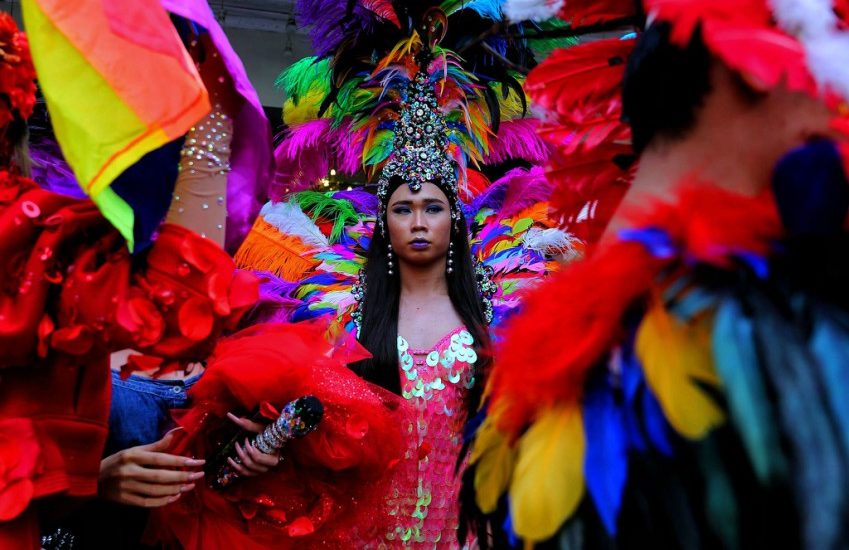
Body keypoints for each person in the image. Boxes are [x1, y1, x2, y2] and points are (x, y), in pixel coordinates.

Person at [463, 0, 849, 548]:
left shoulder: (537, 355)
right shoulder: (766, 328)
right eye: (834, 56)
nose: (839, 101)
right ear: (753, 62)